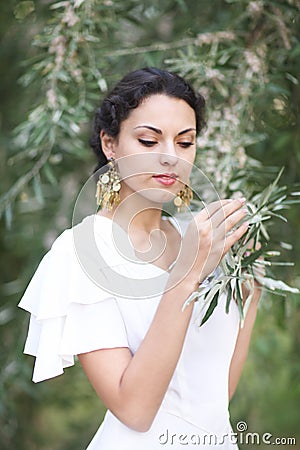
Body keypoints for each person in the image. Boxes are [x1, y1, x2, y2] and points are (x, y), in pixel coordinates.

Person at [19, 67, 261, 449]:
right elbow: (135, 410)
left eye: (185, 143)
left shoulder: (196, 236)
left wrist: (249, 291)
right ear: (110, 145)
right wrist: (187, 271)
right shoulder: (81, 253)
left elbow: (214, 398)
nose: (171, 157)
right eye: (149, 140)